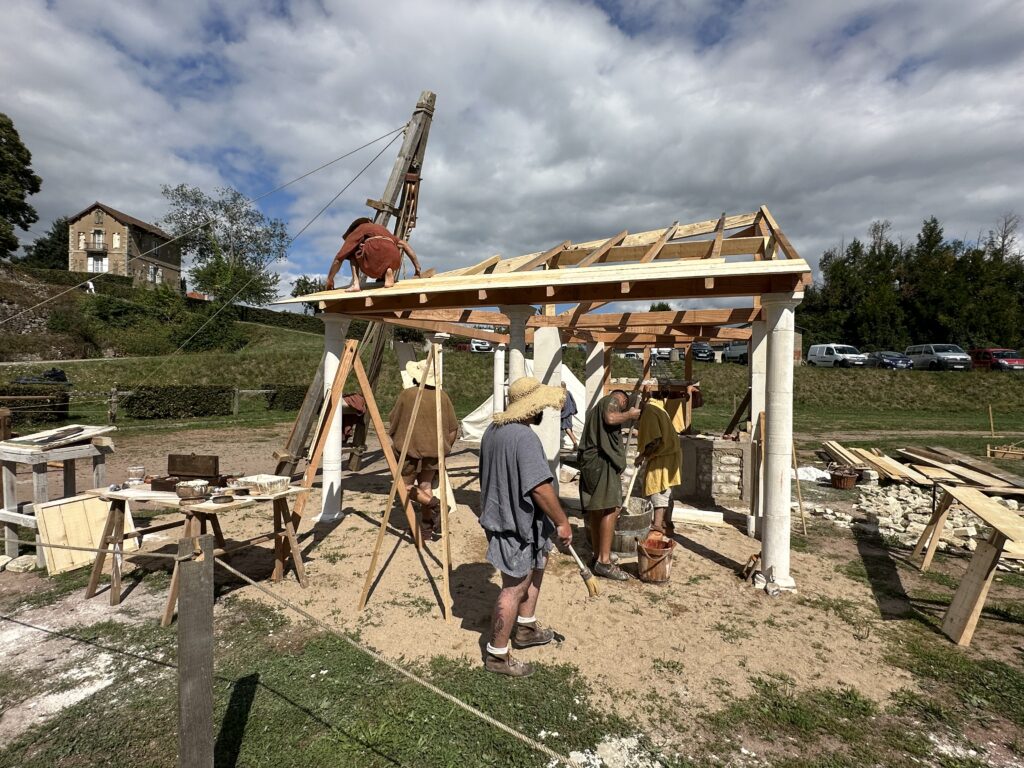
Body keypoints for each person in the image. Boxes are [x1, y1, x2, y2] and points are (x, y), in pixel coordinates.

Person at [479, 377, 573, 677]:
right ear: (531, 407)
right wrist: (562, 521)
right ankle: (497, 655)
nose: (543, 409)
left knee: (535, 569)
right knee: (514, 587)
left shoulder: (493, 431)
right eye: (540, 404)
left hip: (518, 521)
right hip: (513, 525)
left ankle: (526, 629)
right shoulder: (524, 437)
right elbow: (539, 488)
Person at [387, 359, 458, 540]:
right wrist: (444, 448)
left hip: (410, 451)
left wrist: (398, 439)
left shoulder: (408, 395)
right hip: (434, 452)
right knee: (425, 486)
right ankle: (426, 527)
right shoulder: (442, 396)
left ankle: (435, 504)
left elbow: (394, 421)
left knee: (402, 488)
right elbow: (453, 429)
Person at [578, 389, 641, 581]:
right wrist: (630, 414)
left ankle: (598, 555)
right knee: (611, 508)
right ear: (622, 400)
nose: (622, 407)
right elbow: (611, 418)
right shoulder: (610, 401)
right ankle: (604, 562)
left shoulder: (595, 410)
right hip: (601, 462)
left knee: (597, 509)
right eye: (624, 404)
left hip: (591, 463)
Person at [325, 217, 424, 292]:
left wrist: (330, 279)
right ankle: (388, 272)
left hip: (375, 255)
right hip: (395, 259)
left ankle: (355, 284)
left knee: (353, 253)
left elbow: (339, 258)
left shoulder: (359, 229)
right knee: (384, 254)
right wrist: (417, 268)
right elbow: (404, 245)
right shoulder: (383, 229)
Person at [636, 390, 683, 538]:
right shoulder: (657, 407)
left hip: (663, 455)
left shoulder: (650, 411)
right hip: (670, 454)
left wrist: (642, 455)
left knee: (658, 489)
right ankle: (666, 524)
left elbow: (655, 440)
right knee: (666, 490)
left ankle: (657, 526)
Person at [560, 382, 578, 449]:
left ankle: (575, 444)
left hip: (565, 414)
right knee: (568, 429)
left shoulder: (563, 394)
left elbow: (562, 406)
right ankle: (575, 445)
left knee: (567, 429)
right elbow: (573, 402)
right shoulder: (568, 392)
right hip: (569, 413)